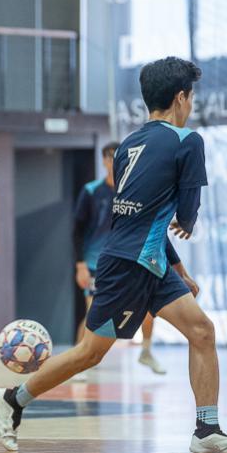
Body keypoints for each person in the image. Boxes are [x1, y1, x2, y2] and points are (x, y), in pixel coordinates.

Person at [0, 56, 227, 453]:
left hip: (145, 260)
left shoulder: (130, 144)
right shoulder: (188, 142)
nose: (191, 105)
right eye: (191, 97)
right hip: (132, 266)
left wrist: (178, 269)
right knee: (89, 353)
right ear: (181, 98)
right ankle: (14, 399)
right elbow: (186, 214)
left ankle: (207, 430)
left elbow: (140, 219)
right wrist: (188, 222)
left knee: (202, 331)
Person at [74, 141, 165, 375]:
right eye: (111, 158)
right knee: (93, 313)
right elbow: (77, 230)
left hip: (130, 259)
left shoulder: (134, 190)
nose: (115, 162)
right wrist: (80, 265)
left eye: (120, 157)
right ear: (104, 161)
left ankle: (146, 352)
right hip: (97, 263)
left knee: (148, 309)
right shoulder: (92, 191)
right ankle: (76, 362)